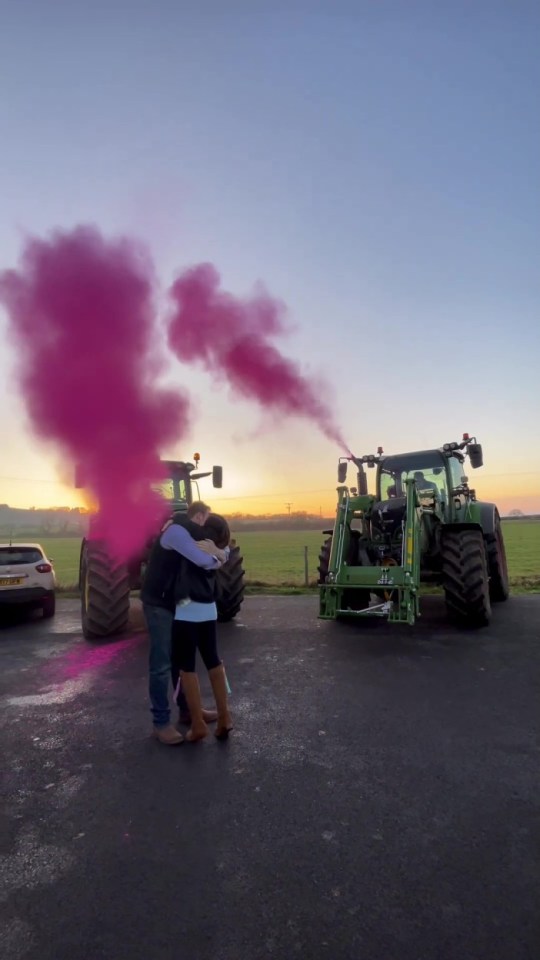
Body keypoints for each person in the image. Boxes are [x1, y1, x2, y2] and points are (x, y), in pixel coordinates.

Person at [141, 502, 224, 745]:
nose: (206, 529)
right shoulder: (177, 532)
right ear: (198, 516)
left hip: (178, 603)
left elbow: (220, 549)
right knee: (161, 664)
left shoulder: (185, 530)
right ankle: (161, 723)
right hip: (159, 605)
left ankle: (189, 712)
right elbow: (203, 560)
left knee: (182, 661)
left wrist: (220, 552)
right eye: (205, 521)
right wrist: (219, 556)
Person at [171, 513, 234, 744]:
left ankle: (197, 724)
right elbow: (225, 553)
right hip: (209, 607)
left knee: (186, 666)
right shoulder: (219, 550)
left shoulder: (191, 545)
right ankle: (224, 717)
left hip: (186, 607)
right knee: (213, 659)